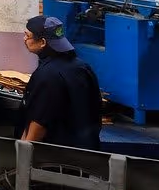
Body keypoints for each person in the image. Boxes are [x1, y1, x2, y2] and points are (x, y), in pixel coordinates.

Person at [20, 15, 102, 149]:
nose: (24, 39)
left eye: (27, 36)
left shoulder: (47, 75)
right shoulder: (83, 67)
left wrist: (22, 157)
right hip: (87, 153)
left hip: (57, 159)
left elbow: (39, 124)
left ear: (42, 42)